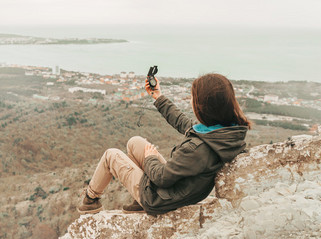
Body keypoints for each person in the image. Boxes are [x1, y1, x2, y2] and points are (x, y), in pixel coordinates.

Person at [78, 73, 251, 215]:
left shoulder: (197, 149)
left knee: (111, 155)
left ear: (203, 106)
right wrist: (158, 97)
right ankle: (136, 201)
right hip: (179, 192)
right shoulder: (222, 134)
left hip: (158, 200)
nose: (190, 101)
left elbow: (162, 177)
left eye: (192, 97)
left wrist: (151, 158)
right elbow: (183, 123)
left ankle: (90, 201)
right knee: (134, 142)